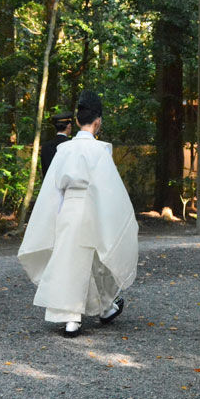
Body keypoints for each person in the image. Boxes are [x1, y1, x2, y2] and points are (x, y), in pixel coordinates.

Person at [18, 91, 139, 337]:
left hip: (69, 209)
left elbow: (54, 188)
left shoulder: (64, 150)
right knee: (97, 259)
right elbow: (108, 188)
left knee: (69, 258)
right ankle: (98, 309)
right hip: (93, 207)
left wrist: (54, 216)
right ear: (97, 122)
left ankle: (77, 316)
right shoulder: (100, 150)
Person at [40, 112, 74, 179]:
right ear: (69, 126)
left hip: (48, 186)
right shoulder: (72, 146)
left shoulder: (45, 146)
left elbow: (44, 170)